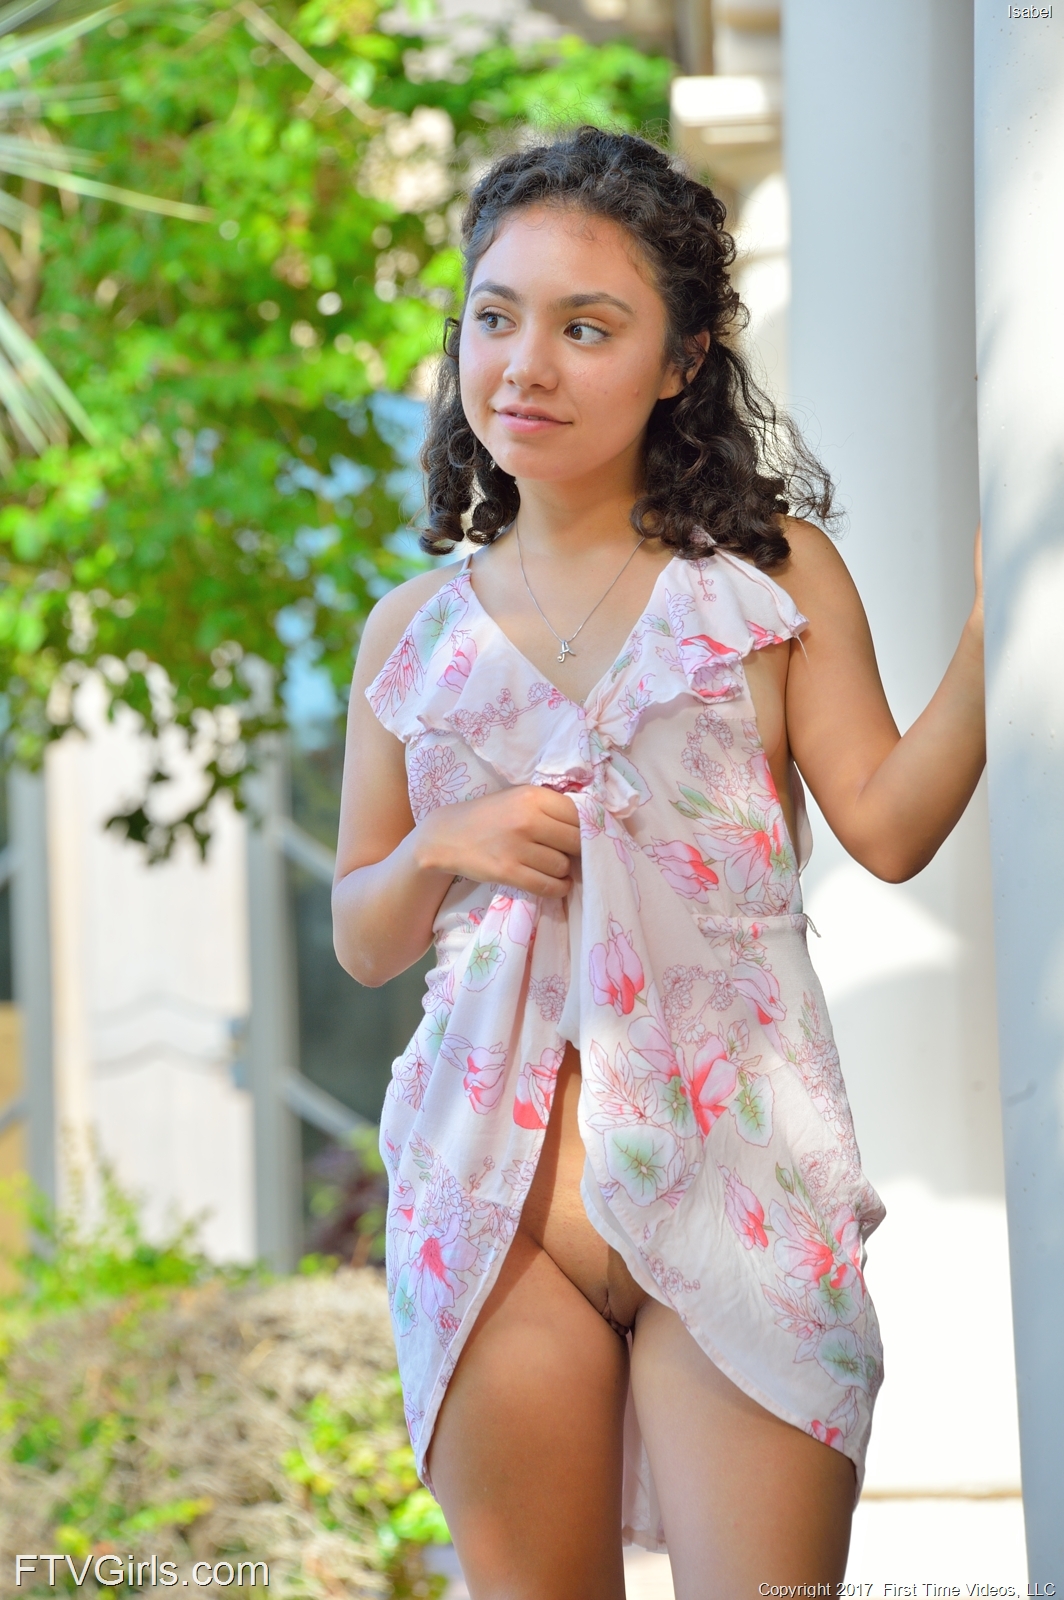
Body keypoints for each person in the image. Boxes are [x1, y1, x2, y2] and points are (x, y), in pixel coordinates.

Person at [332, 127, 985, 1599]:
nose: (526, 364)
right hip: (489, 1210)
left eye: (588, 327)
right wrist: (441, 845)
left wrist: (1005, 630)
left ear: (683, 360)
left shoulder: (768, 579)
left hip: (745, 1193)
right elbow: (362, 938)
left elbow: (888, 826)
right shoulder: (410, 634)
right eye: (494, 316)